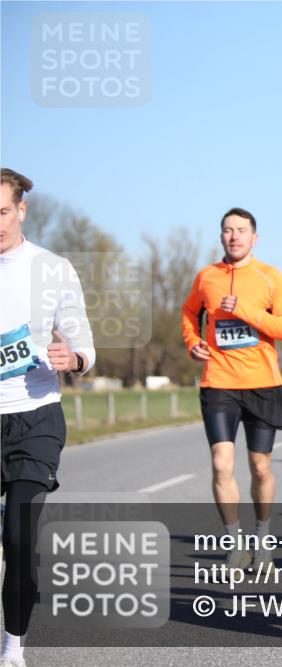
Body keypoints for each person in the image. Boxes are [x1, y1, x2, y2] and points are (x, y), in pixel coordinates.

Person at [1, 168, 95, 667]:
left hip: (35, 417)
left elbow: (83, 344)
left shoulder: (52, 268)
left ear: (21, 210)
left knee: (19, 540)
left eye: (1, 211)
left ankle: (12, 647)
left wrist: (73, 358)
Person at [181, 208, 282, 572]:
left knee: (260, 467)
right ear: (221, 236)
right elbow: (189, 314)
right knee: (221, 464)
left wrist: (248, 311)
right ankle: (235, 544)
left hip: (263, 384)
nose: (234, 236)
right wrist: (192, 342)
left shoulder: (270, 276)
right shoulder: (207, 277)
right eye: (228, 230)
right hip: (218, 383)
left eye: (242, 230)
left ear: (254, 238)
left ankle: (262, 538)